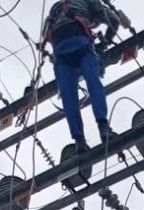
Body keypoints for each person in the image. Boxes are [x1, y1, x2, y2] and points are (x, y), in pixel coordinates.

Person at [42, 0, 122, 153]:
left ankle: (79, 141)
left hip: (60, 49)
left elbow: (45, 32)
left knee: (68, 96)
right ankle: (103, 128)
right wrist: (104, 44)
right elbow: (114, 20)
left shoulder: (55, 8)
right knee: (94, 83)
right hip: (81, 43)